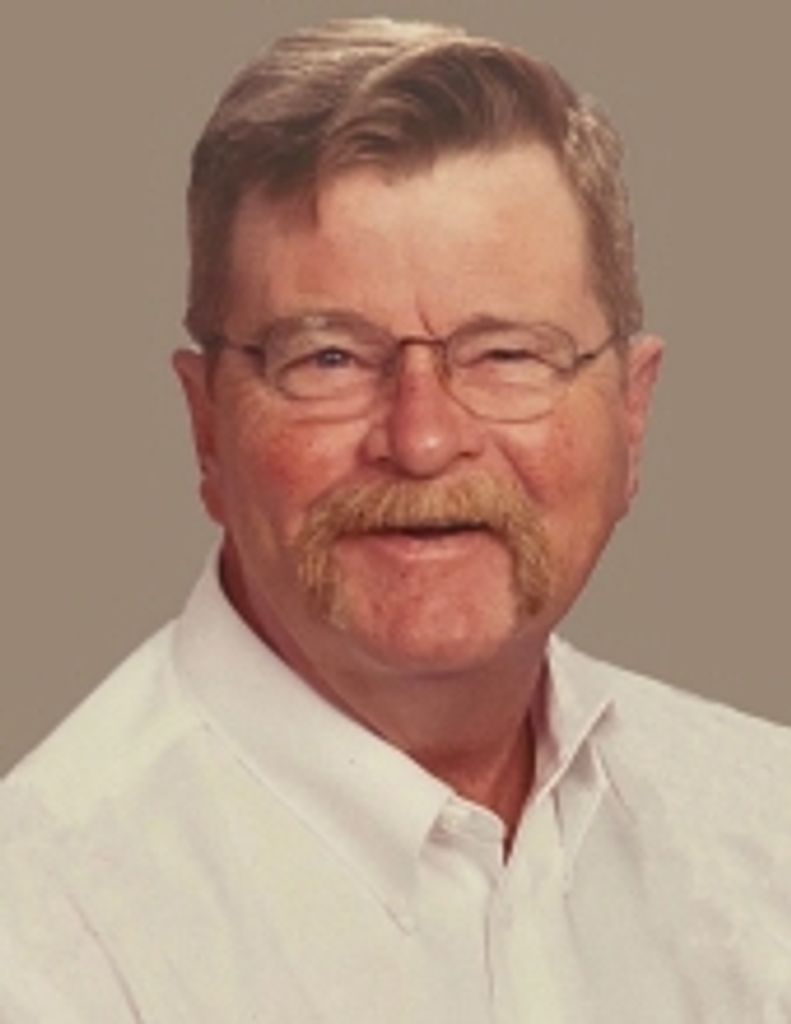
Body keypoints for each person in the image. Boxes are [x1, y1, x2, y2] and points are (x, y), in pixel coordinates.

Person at [1, 16, 789, 1023]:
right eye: (328, 358)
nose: (421, 439)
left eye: (507, 354)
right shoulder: (44, 935)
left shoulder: (762, 824)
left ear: (632, 415)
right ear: (205, 427)